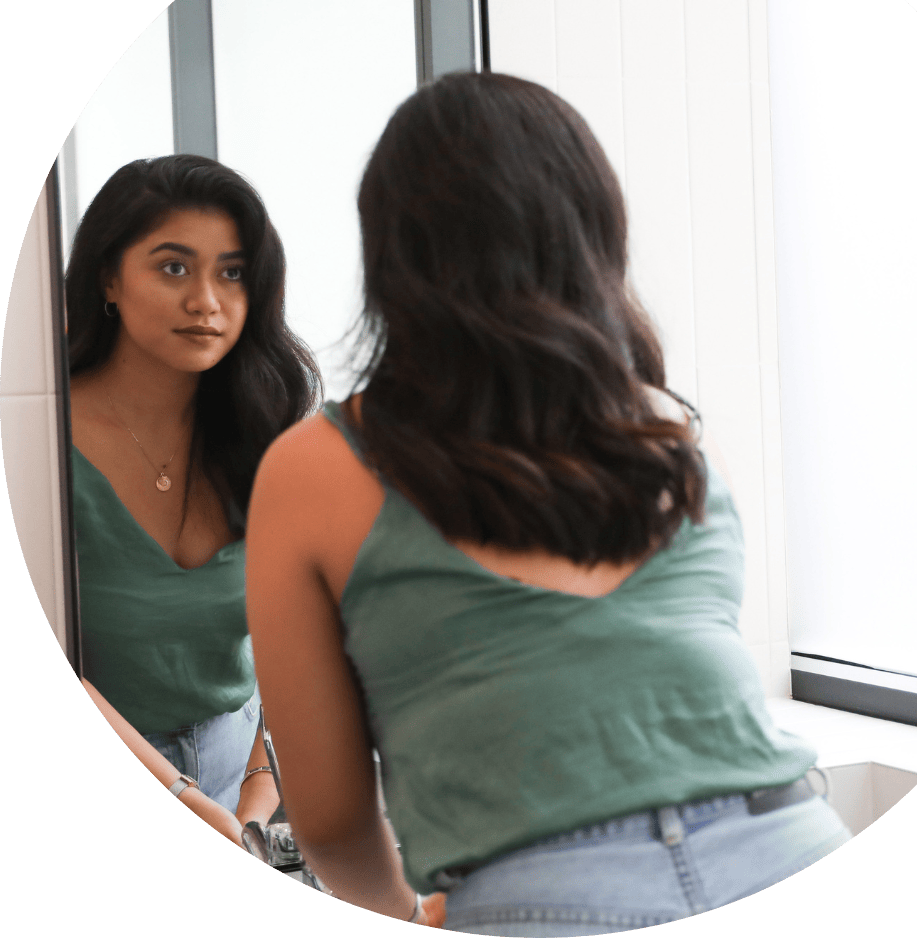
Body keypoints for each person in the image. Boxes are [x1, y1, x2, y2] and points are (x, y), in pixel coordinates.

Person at [245, 73, 850, 933]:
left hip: (545, 895)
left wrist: (403, 911)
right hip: (792, 842)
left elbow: (334, 821)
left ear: (392, 256)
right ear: (592, 233)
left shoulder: (315, 468)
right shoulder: (666, 444)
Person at [66, 154, 320, 842]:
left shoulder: (265, 429)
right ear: (108, 279)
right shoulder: (38, 441)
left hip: (237, 785)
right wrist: (179, 796)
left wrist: (256, 799)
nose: (207, 300)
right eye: (174, 267)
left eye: (232, 272)